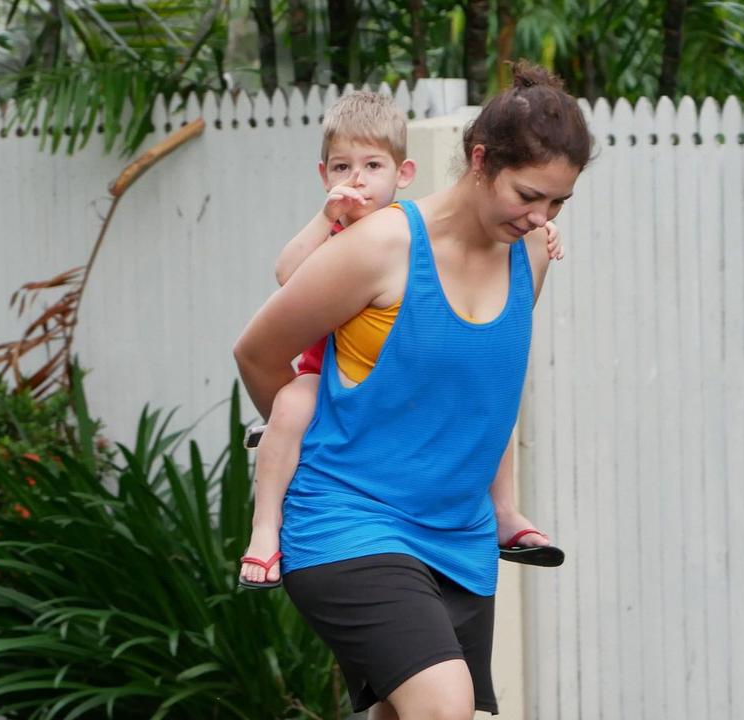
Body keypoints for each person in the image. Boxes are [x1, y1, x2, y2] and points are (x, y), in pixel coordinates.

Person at [234, 61, 591, 717]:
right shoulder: (383, 245)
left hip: (458, 536)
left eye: (557, 203)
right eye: (528, 194)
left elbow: (475, 390)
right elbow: (257, 353)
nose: (541, 216)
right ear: (480, 160)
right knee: (442, 703)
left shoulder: (532, 252)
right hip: (349, 520)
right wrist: (316, 441)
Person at [239, 90, 565, 590]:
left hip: (409, 423)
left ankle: (505, 509)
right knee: (290, 406)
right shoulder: (344, 231)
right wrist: (326, 219)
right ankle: (265, 531)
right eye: (342, 167)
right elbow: (287, 274)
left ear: (403, 174)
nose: (357, 179)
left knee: (489, 397)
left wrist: (543, 233)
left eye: (372, 166)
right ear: (323, 174)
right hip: (323, 373)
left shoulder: (417, 235)